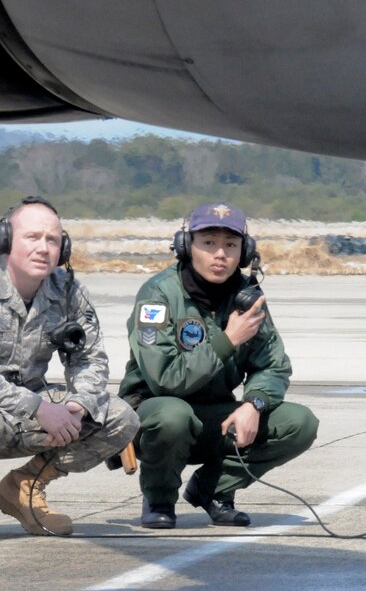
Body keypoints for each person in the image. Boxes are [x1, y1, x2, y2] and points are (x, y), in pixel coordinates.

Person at [0, 196, 139, 539]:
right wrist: (38, 408)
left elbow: (90, 358)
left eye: (52, 240)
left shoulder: (68, 292)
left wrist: (78, 405)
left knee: (120, 417)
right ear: (5, 240)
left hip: (30, 399)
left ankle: (25, 487)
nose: (44, 248)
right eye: (32, 237)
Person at [120, 202, 319, 529]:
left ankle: (213, 489)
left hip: (215, 414)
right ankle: (158, 497)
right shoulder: (158, 295)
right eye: (209, 243)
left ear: (245, 252)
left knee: (299, 423)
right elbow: (166, 380)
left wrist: (254, 404)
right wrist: (228, 338)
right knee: (173, 414)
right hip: (154, 415)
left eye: (230, 245)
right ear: (187, 247)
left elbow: (273, 365)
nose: (220, 254)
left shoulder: (246, 297)